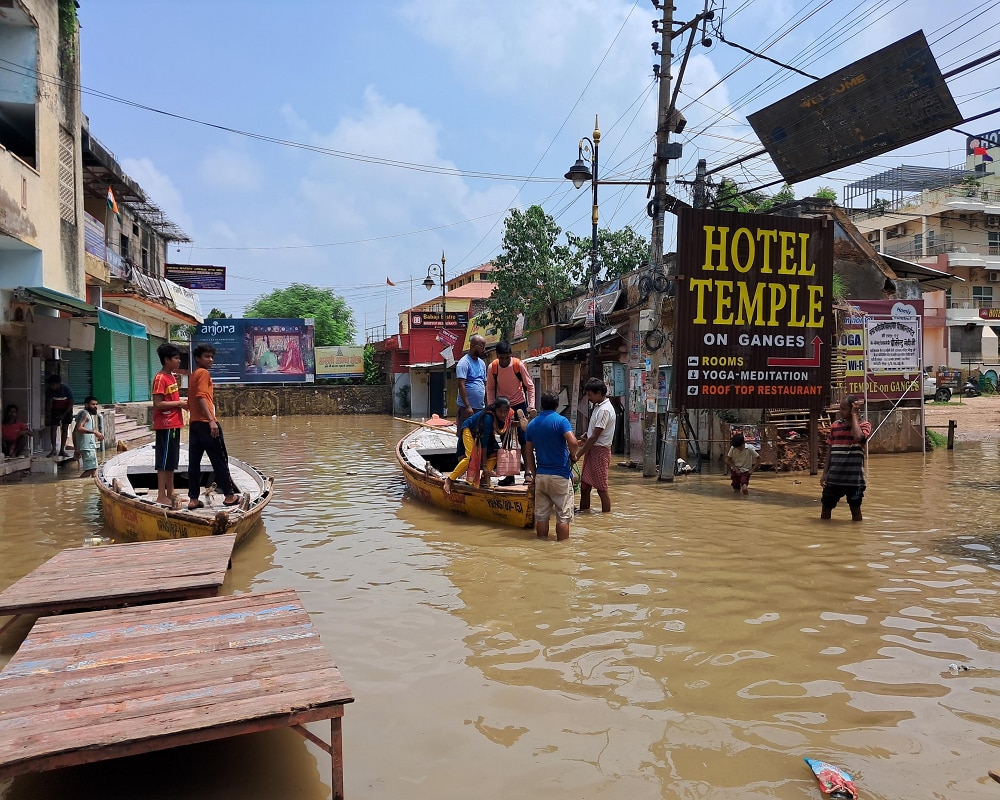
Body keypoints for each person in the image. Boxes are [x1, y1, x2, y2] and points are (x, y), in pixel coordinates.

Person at [187, 344, 241, 509]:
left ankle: (194, 499)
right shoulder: (203, 373)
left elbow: (194, 399)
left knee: (194, 463)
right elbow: (201, 397)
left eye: (211, 357)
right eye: (206, 356)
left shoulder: (194, 374)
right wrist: (211, 420)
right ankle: (229, 496)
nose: (210, 360)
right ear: (197, 358)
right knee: (219, 460)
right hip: (206, 424)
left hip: (194, 424)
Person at [524, 391, 579, 541]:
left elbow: (528, 453)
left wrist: (535, 475)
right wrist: (573, 455)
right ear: (557, 405)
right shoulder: (561, 421)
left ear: (541, 405)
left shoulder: (532, 424)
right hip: (560, 475)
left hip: (541, 475)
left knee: (541, 516)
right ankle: (562, 551)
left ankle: (541, 546)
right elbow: (573, 442)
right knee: (563, 516)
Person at [486, 340, 536, 486]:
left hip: (519, 404)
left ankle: (527, 473)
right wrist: (490, 407)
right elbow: (489, 388)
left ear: (510, 355)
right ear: (497, 356)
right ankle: (509, 476)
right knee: (505, 439)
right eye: (501, 358)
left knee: (524, 439)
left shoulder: (518, 365)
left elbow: (530, 386)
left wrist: (531, 406)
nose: (504, 360)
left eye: (506, 357)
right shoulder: (492, 367)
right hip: (502, 406)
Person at [443, 397, 510, 495]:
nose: (503, 414)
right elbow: (484, 444)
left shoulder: (508, 413)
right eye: (500, 411)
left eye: (505, 411)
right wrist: (484, 466)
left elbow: (514, 415)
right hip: (470, 430)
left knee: (496, 453)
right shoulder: (488, 419)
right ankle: (449, 479)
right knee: (471, 457)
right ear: (495, 409)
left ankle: (483, 479)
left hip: (483, 433)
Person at [820, 395, 872, 522]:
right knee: (826, 509)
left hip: (854, 480)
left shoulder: (864, 425)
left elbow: (858, 437)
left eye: (844, 409)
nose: (840, 411)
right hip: (834, 478)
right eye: (840, 408)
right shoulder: (835, 426)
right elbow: (830, 451)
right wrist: (824, 474)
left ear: (853, 409)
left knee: (855, 510)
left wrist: (854, 415)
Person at [152, 343, 188, 507]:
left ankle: (171, 492)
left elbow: (171, 400)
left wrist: (180, 403)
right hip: (165, 424)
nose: (179, 361)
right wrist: (179, 404)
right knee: (163, 461)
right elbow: (158, 404)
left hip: (174, 423)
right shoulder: (160, 378)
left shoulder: (172, 376)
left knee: (172, 460)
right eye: (176, 358)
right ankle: (161, 495)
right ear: (167, 360)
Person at [576, 377, 616, 513]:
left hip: (600, 452)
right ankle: (583, 512)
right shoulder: (598, 407)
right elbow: (593, 433)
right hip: (592, 450)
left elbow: (595, 437)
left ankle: (606, 517)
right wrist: (585, 436)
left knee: (601, 489)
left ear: (599, 393)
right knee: (585, 486)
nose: (589, 398)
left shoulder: (605, 410)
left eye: (590, 395)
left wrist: (578, 454)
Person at [455, 334, 487, 426]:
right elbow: (461, 385)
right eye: (481, 347)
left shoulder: (482, 363)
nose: (483, 349)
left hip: (480, 407)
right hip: (467, 408)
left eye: (484, 347)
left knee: (479, 434)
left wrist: (487, 405)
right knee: (465, 435)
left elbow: (484, 384)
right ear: (472, 346)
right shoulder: (464, 363)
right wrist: (468, 406)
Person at [74, 396, 104, 478]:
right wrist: (95, 432)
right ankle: (78, 485)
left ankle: (92, 489)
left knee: (94, 470)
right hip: (87, 447)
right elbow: (79, 428)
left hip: (87, 446)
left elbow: (74, 432)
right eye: (93, 404)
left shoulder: (85, 414)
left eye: (96, 404)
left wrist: (76, 448)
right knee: (90, 469)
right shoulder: (84, 414)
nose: (95, 406)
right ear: (86, 405)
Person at [45, 374, 74, 457]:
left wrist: (64, 414)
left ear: (58, 384)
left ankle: (62, 450)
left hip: (67, 409)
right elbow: (48, 402)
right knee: (53, 427)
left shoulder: (66, 389)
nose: (52, 387)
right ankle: (54, 449)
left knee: (64, 428)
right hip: (55, 409)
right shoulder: (50, 391)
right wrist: (48, 413)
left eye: (53, 385)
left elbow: (71, 403)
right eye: (50, 385)